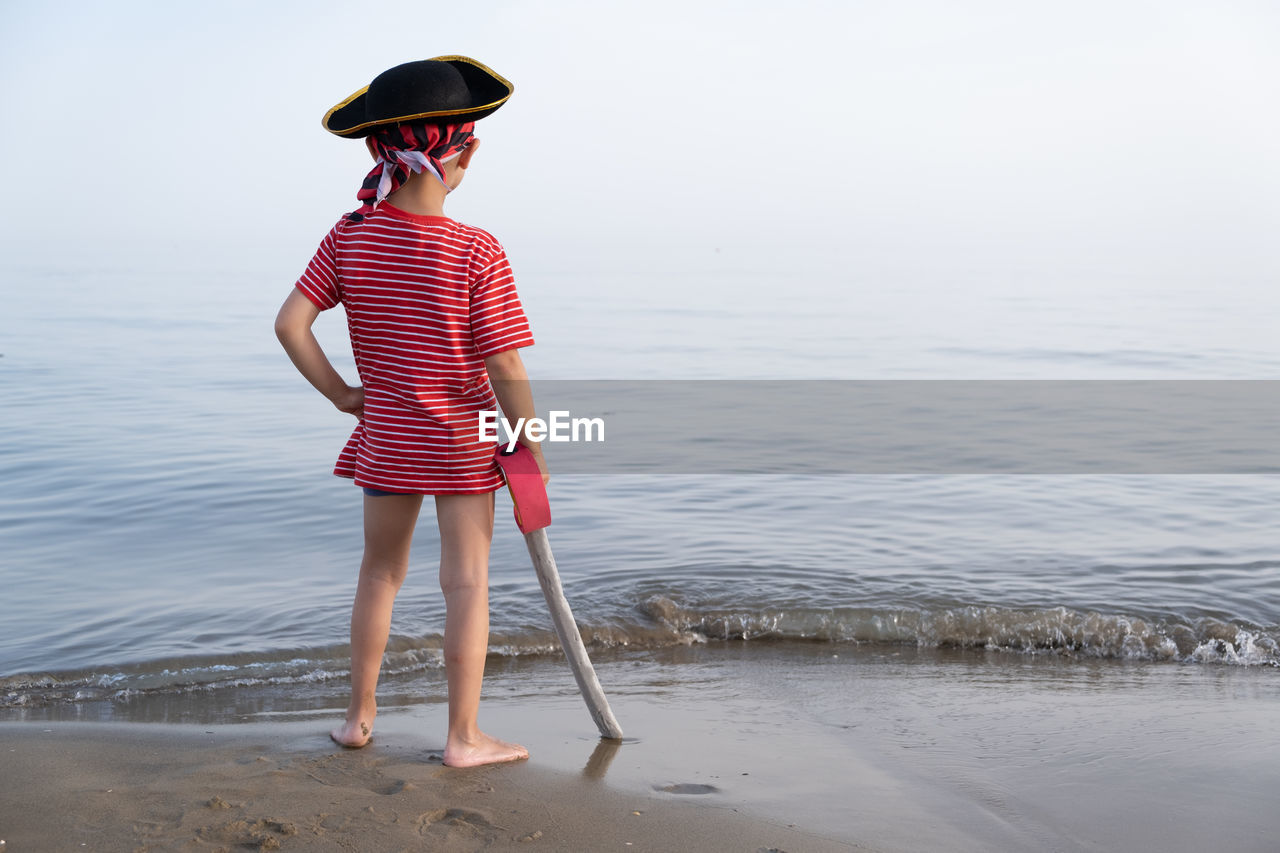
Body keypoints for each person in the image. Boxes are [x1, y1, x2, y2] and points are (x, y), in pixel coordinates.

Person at [274, 57, 547, 768]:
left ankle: (357, 720)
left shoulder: (349, 236)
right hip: (462, 443)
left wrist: (342, 394)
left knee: (378, 575)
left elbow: (290, 325)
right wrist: (527, 442)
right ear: (467, 152)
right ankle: (463, 736)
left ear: (376, 150)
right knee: (466, 583)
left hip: (387, 437)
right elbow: (506, 366)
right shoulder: (475, 251)